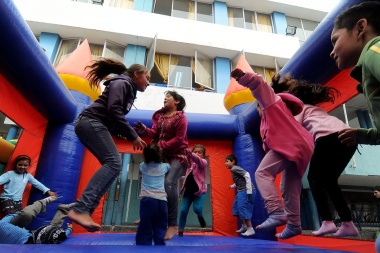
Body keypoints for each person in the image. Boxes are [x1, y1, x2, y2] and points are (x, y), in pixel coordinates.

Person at [68, 58, 150, 232]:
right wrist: (132, 135)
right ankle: (81, 208)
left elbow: (111, 112)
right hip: (91, 122)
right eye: (147, 78)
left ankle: (84, 209)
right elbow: (113, 108)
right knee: (114, 163)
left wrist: (118, 130)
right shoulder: (122, 82)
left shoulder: (127, 86)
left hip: (93, 124)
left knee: (114, 166)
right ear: (136, 75)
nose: (148, 83)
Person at [271, 74, 359, 237]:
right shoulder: (316, 109)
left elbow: (293, 129)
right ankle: (348, 223)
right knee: (330, 181)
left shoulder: (300, 108)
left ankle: (327, 222)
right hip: (349, 139)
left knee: (314, 179)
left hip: (329, 138)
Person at [231, 68, 314, 239]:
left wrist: (244, 78)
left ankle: (276, 211)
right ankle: (294, 224)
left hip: (290, 143)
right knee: (289, 185)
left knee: (262, 173)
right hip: (303, 146)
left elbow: (261, 86)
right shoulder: (281, 115)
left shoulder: (272, 103)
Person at [135, 90, 192, 240]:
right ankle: (149, 215)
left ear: (177, 102)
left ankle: (173, 224)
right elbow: (154, 133)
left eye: (168, 96)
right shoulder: (160, 117)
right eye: (164, 97)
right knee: (154, 182)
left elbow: (180, 139)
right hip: (163, 154)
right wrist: (144, 130)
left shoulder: (181, 118)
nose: (165, 98)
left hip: (178, 155)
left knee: (168, 183)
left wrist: (162, 146)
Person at [330, 2, 380, 146]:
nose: (331, 52)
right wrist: (362, 135)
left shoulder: (374, 50)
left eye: (335, 40)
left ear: (360, 28)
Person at [0, 195, 73, 244]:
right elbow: (61, 236)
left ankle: (43, 202)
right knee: (51, 234)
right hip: (29, 239)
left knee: (27, 214)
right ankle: (63, 210)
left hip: (22, 236)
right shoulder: (41, 242)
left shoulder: (6, 229)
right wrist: (69, 229)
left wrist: (16, 214)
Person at [136, 143, 170, 245]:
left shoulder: (142, 166)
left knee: (145, 224)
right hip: (162, 201)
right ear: (159, 155)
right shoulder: (165, 166)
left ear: (145, 156)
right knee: (161, 225)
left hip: (148, 200)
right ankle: (160, 244)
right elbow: (168, 165)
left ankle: (143, 246)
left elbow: (145, 162)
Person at [178, 144, 208, 237]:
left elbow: (197, 160)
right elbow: (183, 159)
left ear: (203, 155)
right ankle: (180, 231)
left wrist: (190, 152)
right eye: (195, 152)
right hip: (188, 192)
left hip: (199, 192)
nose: (197, 153)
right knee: (183, 210)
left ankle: (200, 216)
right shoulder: (189, 163)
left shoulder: (203, 162)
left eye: (200, 152)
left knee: (197, 209)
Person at [225, 154, 255, 237]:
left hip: (246, 191)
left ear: (233, 161)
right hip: (241, 191)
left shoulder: (235, 168)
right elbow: (240, 180)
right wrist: (233, 185)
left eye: (227, 161)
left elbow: (247, 175)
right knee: (236, 208)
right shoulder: (233, 170)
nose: (225, 163)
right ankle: (244, 226)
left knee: (242, 207)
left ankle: (250, 228)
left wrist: (249, 189)